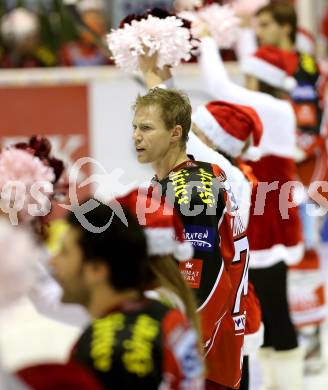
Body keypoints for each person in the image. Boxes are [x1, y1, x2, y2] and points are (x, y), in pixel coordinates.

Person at [198, 30, 304, 390]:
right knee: (269, 309)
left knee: (273, 308)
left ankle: (287, 382)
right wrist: (241, 28)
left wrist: (206, 35)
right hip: (271, 211)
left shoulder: (272, 108)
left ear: (259, 76)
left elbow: (218, 84)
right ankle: (277, 379)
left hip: (267, 214)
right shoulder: (275, 104)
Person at [133, 87, 249, 389]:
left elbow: (202, 284)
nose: (136, 136)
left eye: (146, 128)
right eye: (134, 127)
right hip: (212, 355)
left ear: (175, 133)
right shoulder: (192, 176)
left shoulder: (191, 188)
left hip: (205, 364)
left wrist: (183, 356)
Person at [51, 200, 204, 389]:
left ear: (97, 269)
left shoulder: (105, 353)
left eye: (65, 252)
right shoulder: (167, 316)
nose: (53, 261)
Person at [59, 0, 111, 66]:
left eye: (97, 24)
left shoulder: (106, 51)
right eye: (90, 24)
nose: (92, 31)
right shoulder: (68, 51)